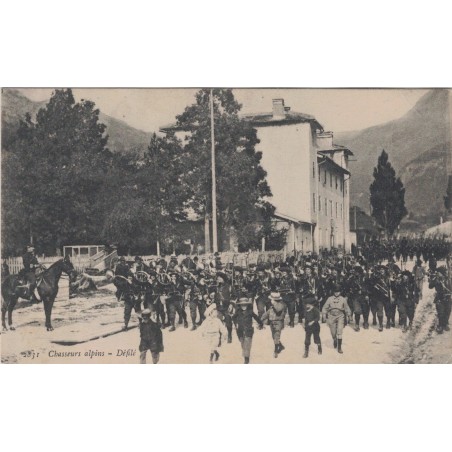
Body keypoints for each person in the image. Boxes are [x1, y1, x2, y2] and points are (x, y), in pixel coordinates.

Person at [232, 296, 263, 364]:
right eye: (242, 305)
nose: (243, 306)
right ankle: (246, 355)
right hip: (240, 331)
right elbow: (233, 318)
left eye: (245, 305)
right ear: (240, 305)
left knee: (247, 344)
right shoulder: (238, 312)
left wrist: (261, 323)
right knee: (242, 344)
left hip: (248, 331)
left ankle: (246, 359)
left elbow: (256, 318)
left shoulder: (250, 312)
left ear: (247, 305)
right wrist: (235, 324)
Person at [322, 284, 351, 354]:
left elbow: (347, 308)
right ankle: (334, 339)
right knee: (333, 332)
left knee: (339, 331)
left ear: (340, 292)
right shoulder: (329, 299)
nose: (336, 293)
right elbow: (324, 307)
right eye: (335, 292)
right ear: (333, 292)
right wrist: (324, 315)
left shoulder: (343, 299)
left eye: (338, 292)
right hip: (331, 316)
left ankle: (339, 347)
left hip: (340, 316)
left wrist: (349, 315)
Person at [261, 292, 287, 358]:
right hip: (272, 323)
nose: (270, 301)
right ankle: (280, 346)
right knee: (274, 336)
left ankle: (276, 351)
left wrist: (274, 303)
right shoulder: (272, 306)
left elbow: (278, 310)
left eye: (271, 299)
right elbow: (267, 313)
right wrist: (261, 319)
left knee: (276, 336)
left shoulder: (281, 305)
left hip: (278, 322)